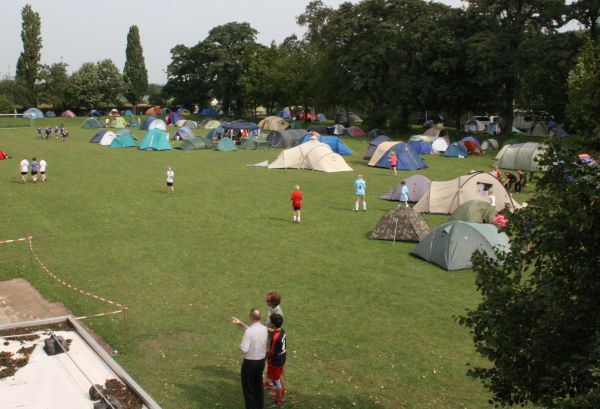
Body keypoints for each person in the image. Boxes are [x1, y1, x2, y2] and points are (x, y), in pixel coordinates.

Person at [232, 309, 268, 409]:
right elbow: (253, 331)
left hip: (250, 364)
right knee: (258, 386)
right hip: (261, 362)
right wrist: (241, 323)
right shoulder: (264, 329)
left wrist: (240, 347)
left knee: (248, 389)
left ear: (251, 317)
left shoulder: (249, 332)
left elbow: (244, 350)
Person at [265, 313, 287, 407]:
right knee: (280, 375)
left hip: (275, 361)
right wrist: (265, 329)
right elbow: (274, 331)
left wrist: (264, 357)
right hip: (282, 357)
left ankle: (279, 401)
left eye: (270, 322)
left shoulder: (275, 338)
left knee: (275, 381)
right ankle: (282, 391)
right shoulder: (282, 331)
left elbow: (271, 352)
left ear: (273, 324)